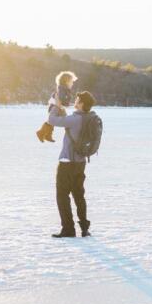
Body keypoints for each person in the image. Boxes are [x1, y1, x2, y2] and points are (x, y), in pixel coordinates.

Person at [47, 91, 97, 238]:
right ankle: (84, 228)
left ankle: (68, 229)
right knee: (79, 195)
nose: (75, 100)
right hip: (81, 162)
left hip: (67, 162)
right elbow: (65, 119)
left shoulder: (75, 119)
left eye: (77, 99)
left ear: (81, 103)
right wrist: (62, 109)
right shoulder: (90, 117)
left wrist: (56, 105)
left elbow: (52, 120)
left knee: (62, 195)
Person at [36, 71, 77, 143]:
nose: (72, 83)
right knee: (53, 121)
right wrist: (66, 103)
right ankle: (41, 132)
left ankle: (47, 135)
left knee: (53, 122)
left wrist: (68, 103)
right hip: (55, 106)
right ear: (66, 81)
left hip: (57, 106)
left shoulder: (64, 89)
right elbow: (62, 98)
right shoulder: (62, 88)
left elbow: (65, 99)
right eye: (71, 82)